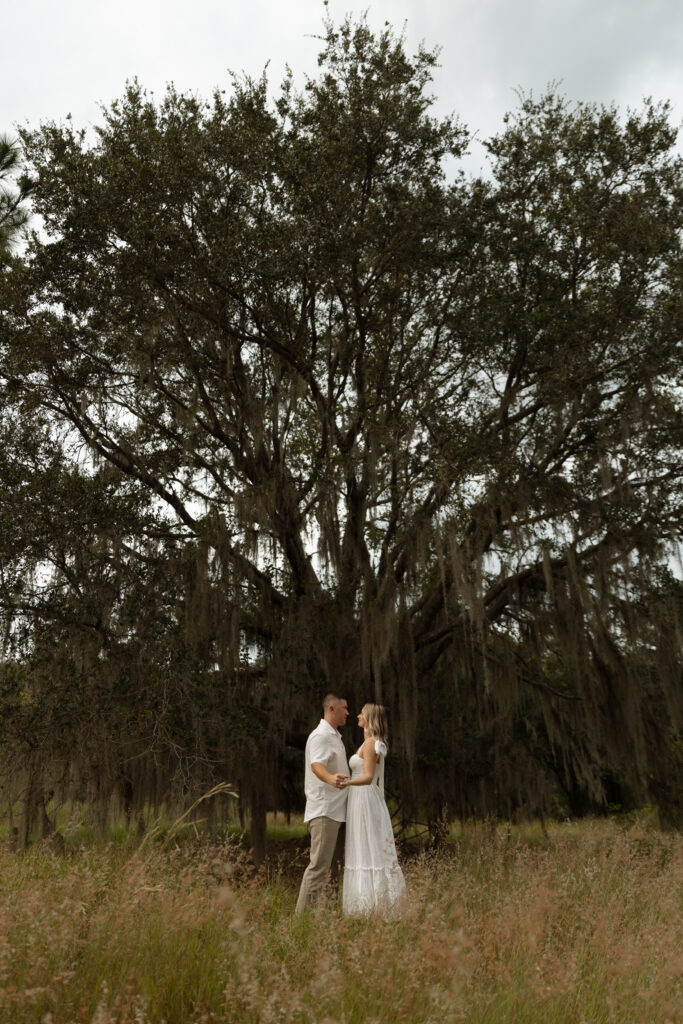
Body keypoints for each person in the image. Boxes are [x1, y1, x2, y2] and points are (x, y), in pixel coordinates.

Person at [341, 702, 406, 917]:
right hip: (361, 798)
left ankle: (372, 906)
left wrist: (348, 783)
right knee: (364, 846)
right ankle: (366, 905)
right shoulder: (369, 744)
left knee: (367, 846)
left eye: (362, 713)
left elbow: (368, 777)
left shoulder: (371, 744)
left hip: (364, 798)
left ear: (369, 719)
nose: (358, 715)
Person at [295, 693, 350, 914]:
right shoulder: (320, 736)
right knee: (318, 867)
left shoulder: (335, 736)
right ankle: (299, 921)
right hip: (325, 810)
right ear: (331, 709)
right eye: (344, 708)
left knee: (334, 869)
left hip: (338, 811)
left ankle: (324, 917)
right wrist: (330, 778)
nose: (347, 712)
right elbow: (316, 765)